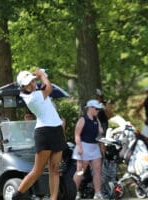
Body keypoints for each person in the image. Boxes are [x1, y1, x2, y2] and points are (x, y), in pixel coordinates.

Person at [12, 69, 66, 200]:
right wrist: (41, 75)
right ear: (22, 87)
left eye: (32, 81)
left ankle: (53, 198)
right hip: (44, 133)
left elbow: (44, 86)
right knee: (38, 170)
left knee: (54, 169)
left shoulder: (36, 92)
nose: (31, 84)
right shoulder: (31, 97)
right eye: (27, 83)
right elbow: (49, 88)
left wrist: (40, 75)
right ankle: (17, 195)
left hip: (57, 130)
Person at [72, 99, 104, 200]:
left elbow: (100, 132)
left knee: (97, 171)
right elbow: (77, 135)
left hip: (94, 147)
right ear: (90, 108)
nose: (98, 110)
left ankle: (98, 193)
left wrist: (97, 120)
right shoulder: (82, 119)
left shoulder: (96, 119)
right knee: (80, 171)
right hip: (83, 146)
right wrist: (80, 148)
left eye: (99, 109)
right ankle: (74, 192)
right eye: (96, 108)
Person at [95, 89, 116, 198]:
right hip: (97, 132)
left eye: (99, 96)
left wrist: (106, 107)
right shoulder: (94, 106)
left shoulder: (104, 105)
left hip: (104, 130)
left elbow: (110, 116)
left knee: (106, 153)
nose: (98, 97)